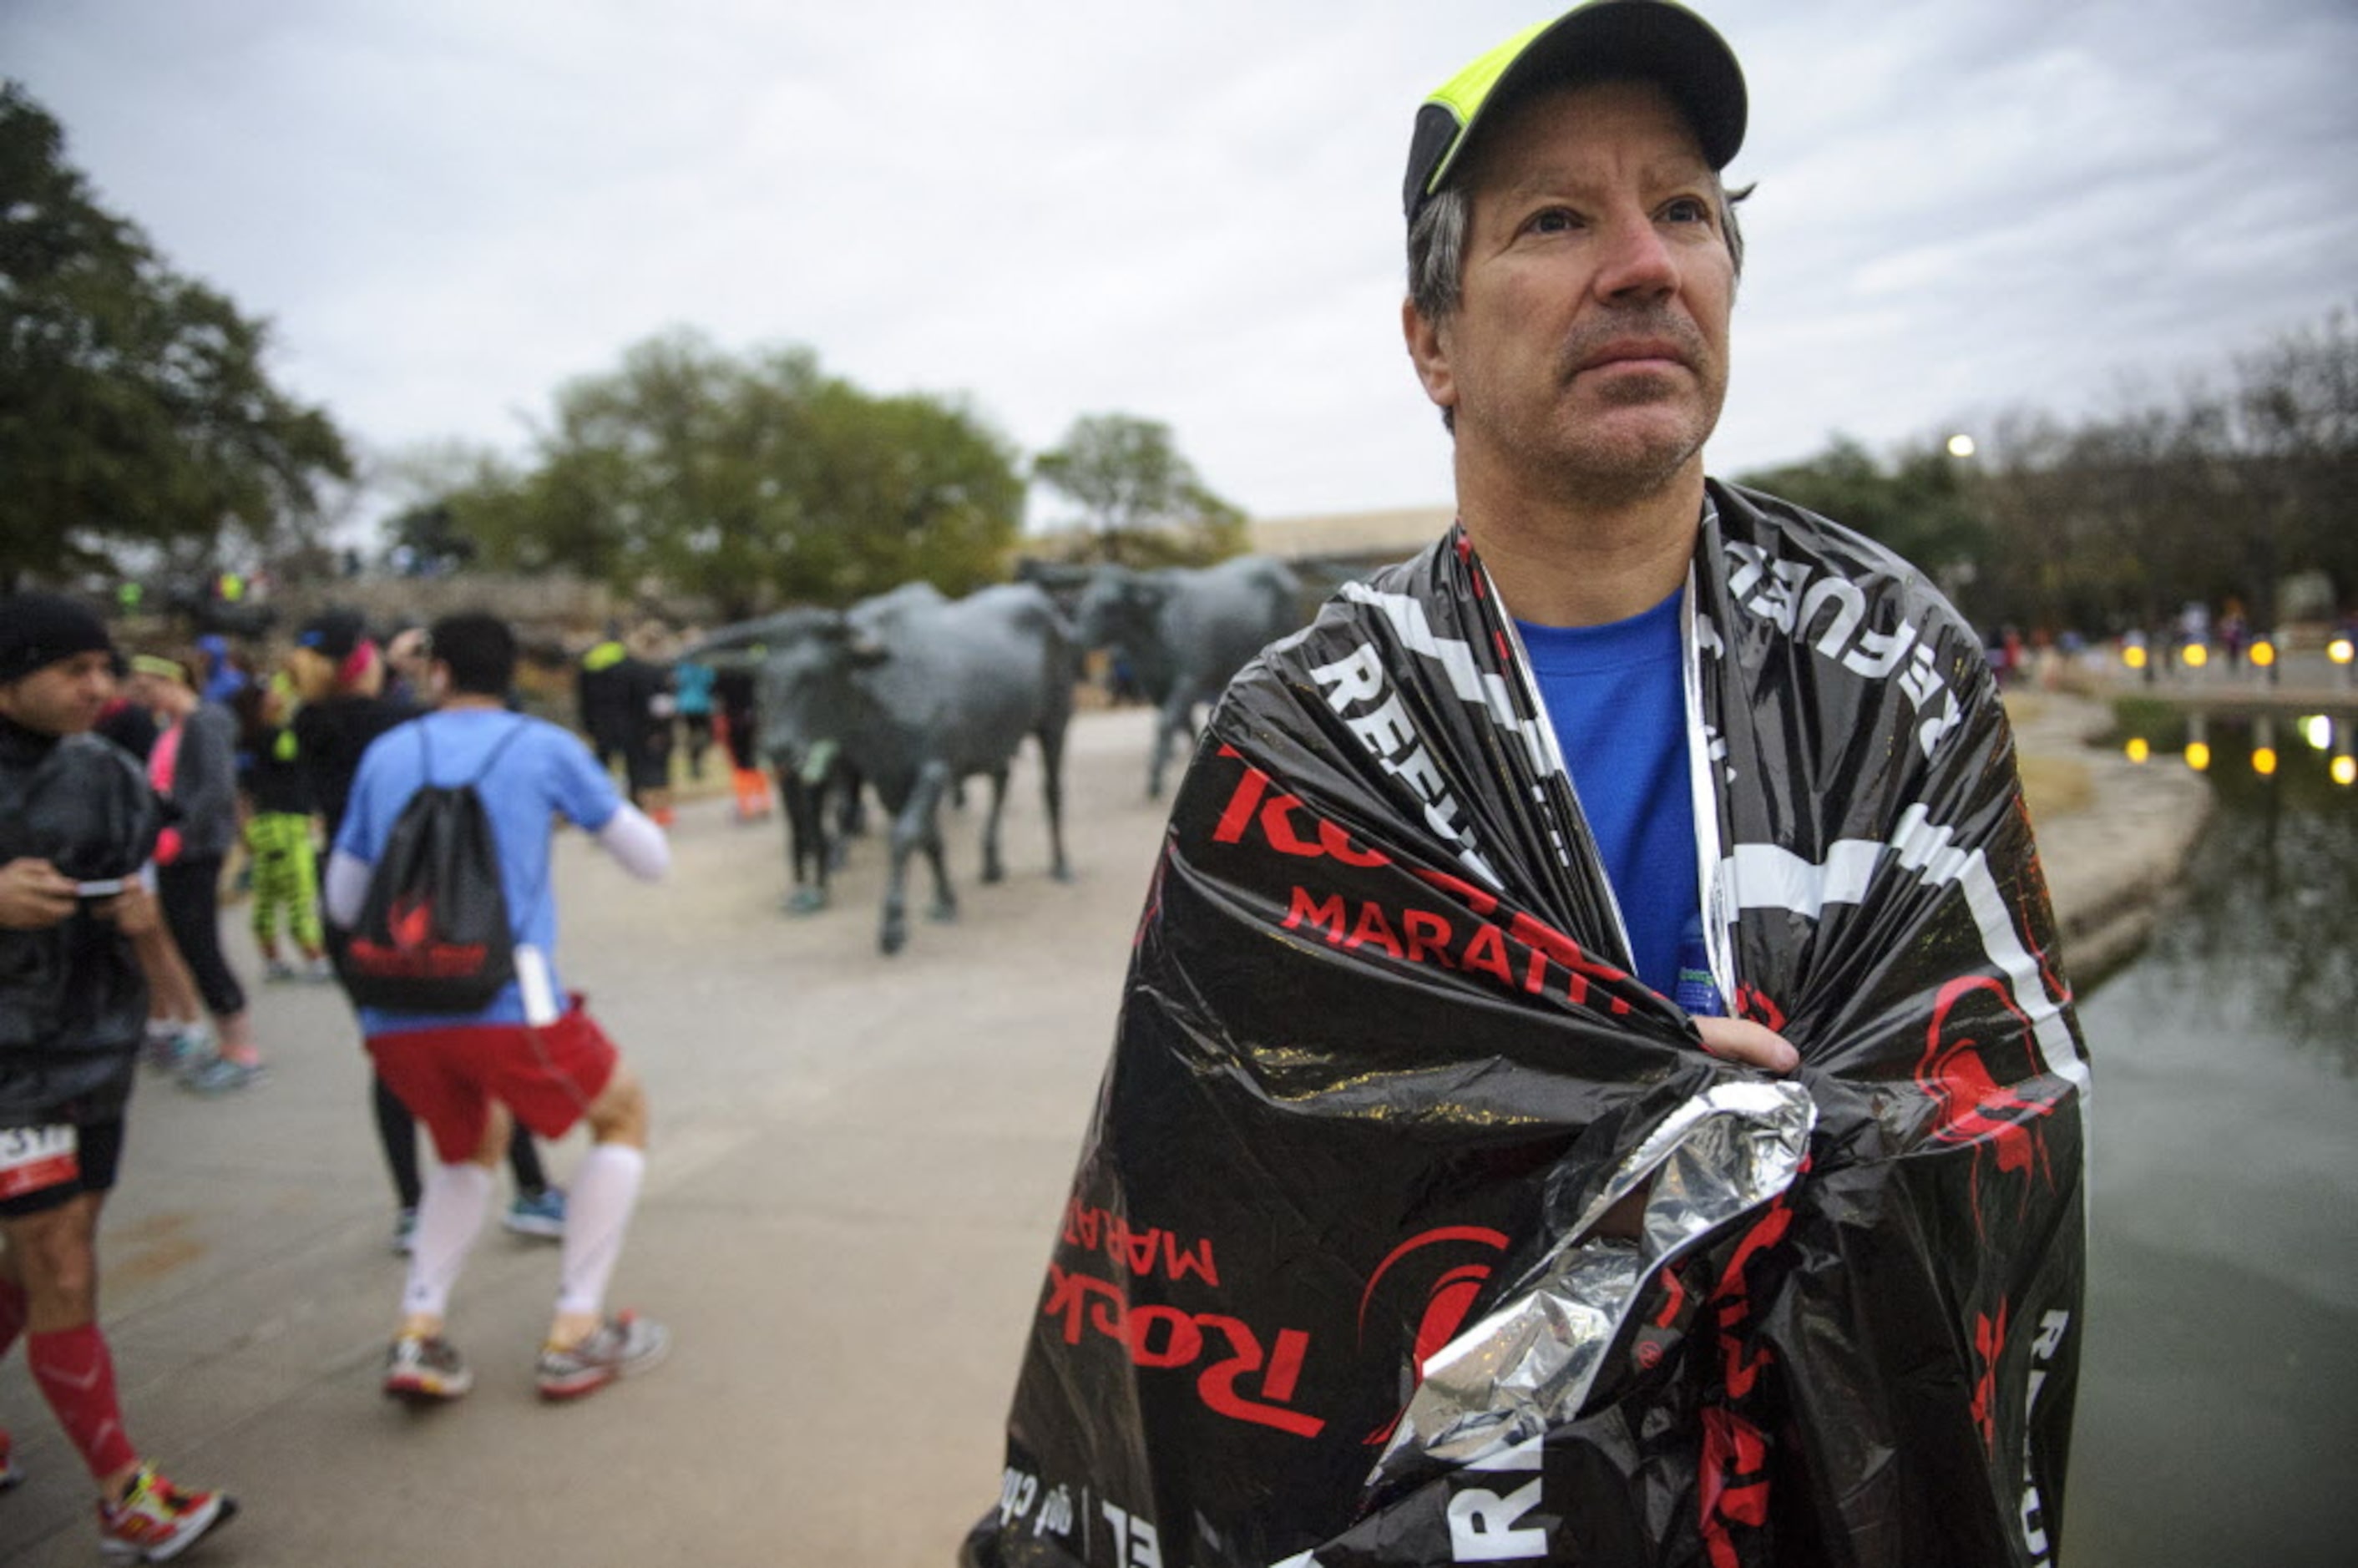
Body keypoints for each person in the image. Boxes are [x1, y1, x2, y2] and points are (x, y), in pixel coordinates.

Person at [968, 6, 2087, 1565]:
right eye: (1555, 219)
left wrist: (1685, 1123)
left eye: (1681, 207)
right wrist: (1627, 1115)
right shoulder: (1297, 741)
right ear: (1429, 338)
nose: (1642, 261)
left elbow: (1996, 1117)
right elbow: (1212, 1226)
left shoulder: (1892, 673)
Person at [326, 611, 671, 1403]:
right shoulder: (543, 747)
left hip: (394, 1013)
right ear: (508, 673)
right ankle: (576, 1333)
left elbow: (344, 900)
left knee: (467, 1148)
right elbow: (650, 862)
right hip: (510, 1004)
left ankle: (419, 1332)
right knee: (622, 1115)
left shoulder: (389, 752)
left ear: (436, 672)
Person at [0, 592, 238, 1560]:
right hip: (7, 1068)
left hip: (93, 1049)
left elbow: (157, 852)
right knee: (58, 1257)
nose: (100, 688)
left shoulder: (105, 767)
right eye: (75, 671)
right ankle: (123, 1495)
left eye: (106, 668)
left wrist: (140, 922)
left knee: (49, 1253)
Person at [126, 651, 266, 1093]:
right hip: (176, 853)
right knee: (190, 946)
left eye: (147, 688)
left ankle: (241, 1049)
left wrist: (180, 834)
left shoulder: (204, 722)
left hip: (196, 852)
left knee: (202, 947)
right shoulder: (176, 726)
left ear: (169, 681)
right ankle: (226, 1043)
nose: (141, 697)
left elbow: (216, 789)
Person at [230, 679, 331, 983]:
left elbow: (243, 794)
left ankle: (272, 958)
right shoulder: (277, 736)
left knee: (266, 896)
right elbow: (296, 747)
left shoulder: (247, 743)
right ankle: (314, 956)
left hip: (263, 825)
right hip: (286, 825)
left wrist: (244, 830)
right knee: (300, 892)